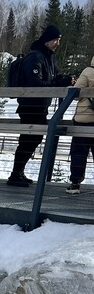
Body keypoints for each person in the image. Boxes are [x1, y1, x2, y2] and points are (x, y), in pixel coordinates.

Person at [7, 24, 75, 187]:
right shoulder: (35, 58)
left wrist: (64, 80)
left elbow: (54, 78)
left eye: (59, 40)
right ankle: (15, 174)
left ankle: (18, 173)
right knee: (28, 140)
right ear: (46, 40)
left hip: (40, 106)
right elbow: (35, 85)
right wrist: (58, 84)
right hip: (30, 106)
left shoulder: (50, 57)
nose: (57, 43)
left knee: (32, 139)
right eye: (55, 40)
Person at [65, 56, 94, 195]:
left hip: (84, 119)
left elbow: (76, 94)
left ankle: (75, 183)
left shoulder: (88, 71)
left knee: (79, 152)